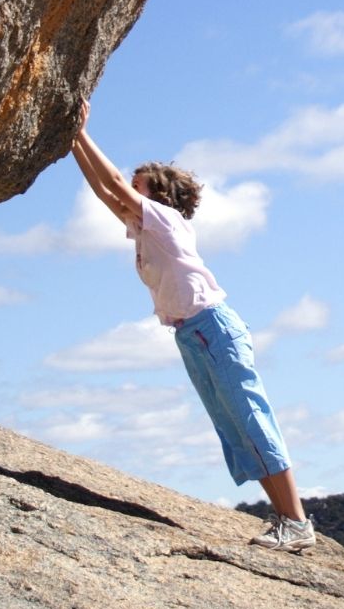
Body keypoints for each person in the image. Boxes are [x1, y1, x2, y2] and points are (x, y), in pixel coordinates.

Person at [66, 99, 315, 552]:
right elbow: (106, 194)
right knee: (237, 429)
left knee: (251, 419)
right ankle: (286, 519)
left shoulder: (165, 221)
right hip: (192, 335)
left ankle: (296, 522)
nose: (130, 183)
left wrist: (81, 133)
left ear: (158, 192)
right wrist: (71, 144)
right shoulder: (145, 229)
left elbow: (116, 186)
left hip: (212, 328)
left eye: (140, 180)